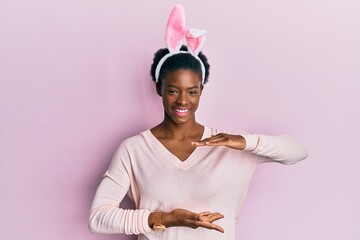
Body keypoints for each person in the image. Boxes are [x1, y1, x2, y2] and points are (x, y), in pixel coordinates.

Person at [88, 5, 308, 240]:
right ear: (158, 88)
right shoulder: (134, 149)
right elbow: (98, 218)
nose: (183, 100)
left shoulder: (230, 146)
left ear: (201, 90)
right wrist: (166, 218)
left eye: (192, 92)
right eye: (173, 91)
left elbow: (297, 152)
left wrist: (245, 141)